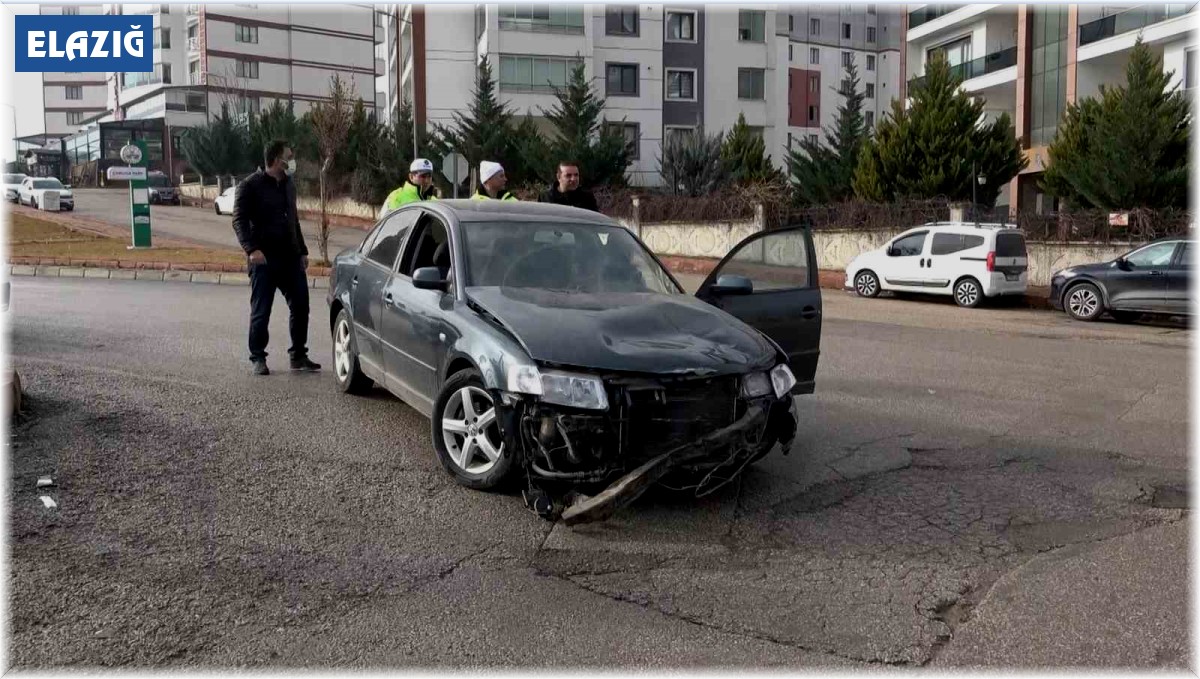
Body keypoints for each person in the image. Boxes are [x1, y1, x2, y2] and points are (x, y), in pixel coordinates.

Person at [232, 139, 321, 376]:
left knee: (301, 306)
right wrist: (252, 250)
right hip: (264, 259)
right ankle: (258, 357)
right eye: (288, 157)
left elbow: (294, 220)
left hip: (290, 257)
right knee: (261, 311)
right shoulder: (250, 186)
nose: (292, 161)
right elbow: (239, 221)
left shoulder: (289, 185)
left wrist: (302, 251)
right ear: (275, 160)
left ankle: (298, 355)